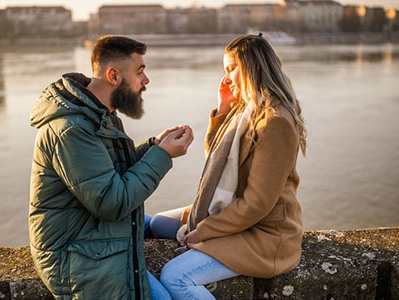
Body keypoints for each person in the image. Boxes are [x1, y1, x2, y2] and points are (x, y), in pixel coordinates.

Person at [29, 35, 193, 300]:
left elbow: (109, 172)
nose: (146, 81)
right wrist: (162, 156)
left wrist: (155, 146)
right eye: (140, 72)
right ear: (113, 76)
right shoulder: (71, 129)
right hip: (81, 260)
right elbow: (112, 201)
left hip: (93, 240)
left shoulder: (97, 113)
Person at [150, 33, 307, 299]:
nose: (227, 77)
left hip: (265, 234)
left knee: (175, 276)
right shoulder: (245, 108)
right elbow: (216, 159)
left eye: (231, 68)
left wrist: (205, 232)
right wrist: (222, 109)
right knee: (157, 225)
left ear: (253, 66)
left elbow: (257, 203)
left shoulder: (275, 122)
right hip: (236, 214)